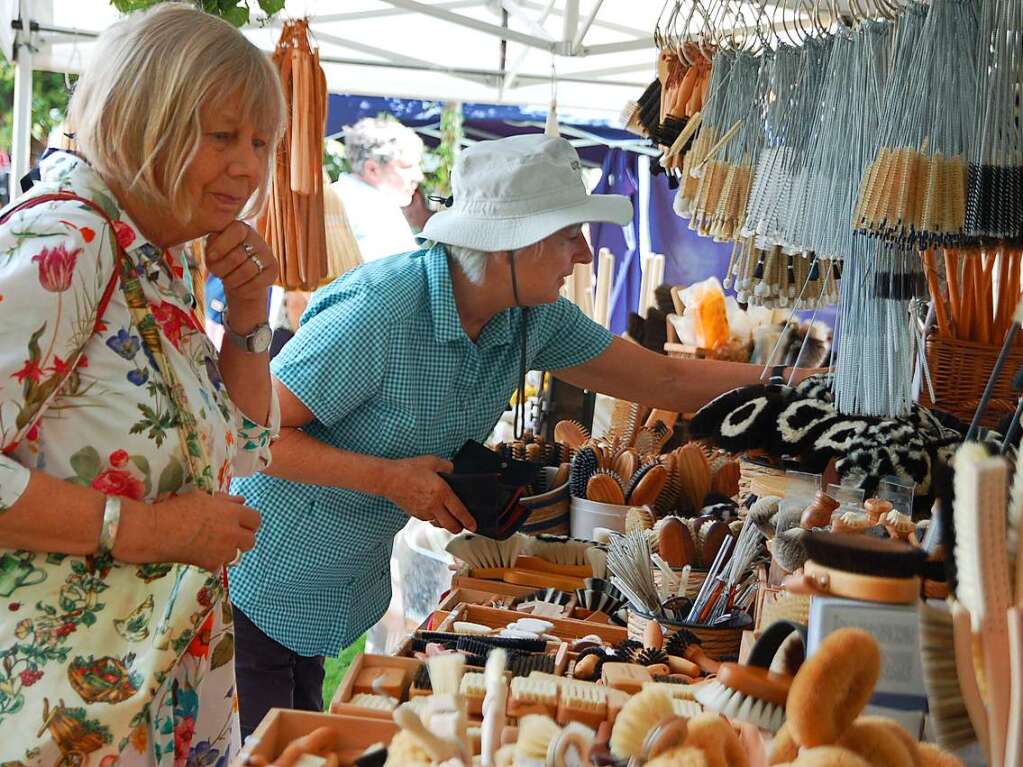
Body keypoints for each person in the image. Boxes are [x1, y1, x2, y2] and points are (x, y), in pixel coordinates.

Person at [228, 134, 796, 734]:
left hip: (332, 587)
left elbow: (663, 376)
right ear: (512, 243)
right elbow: (247, 434)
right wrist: (388, 479)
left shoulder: (529, 317)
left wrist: (806, 385)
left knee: (300, 738)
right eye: (568, 235)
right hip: (254, 576)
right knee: (268, 744)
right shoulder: (382, 310)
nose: (582, 253)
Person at [0, 5, 285, 764]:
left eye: (260, 142)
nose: (249, 167)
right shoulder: (71, 240)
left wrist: (250, 315)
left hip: (135, 701)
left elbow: (248, 449)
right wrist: (152, 531)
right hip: (55, 721)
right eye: (221, 136)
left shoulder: (150, 254)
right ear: (137, 117)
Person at [331, 117, 424, 263]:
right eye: (407, 167)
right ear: (372, 169)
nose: (418, 176)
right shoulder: (375, 209)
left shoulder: (338, 194)